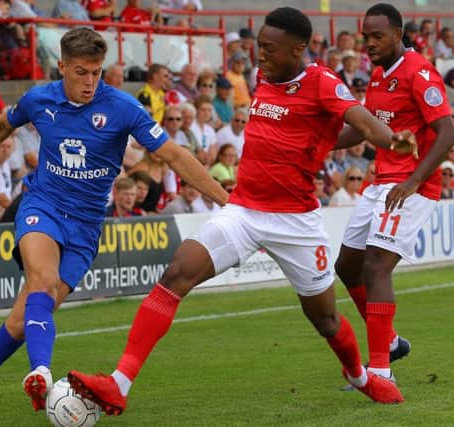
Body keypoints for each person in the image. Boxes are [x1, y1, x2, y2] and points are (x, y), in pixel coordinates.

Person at [68, 7, 420, 415]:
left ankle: (360, 376)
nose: (261, 57)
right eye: (259, 48)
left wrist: (391, 141)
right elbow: (296, 128)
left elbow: (362, 120)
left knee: (324, 319)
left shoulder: (321, 81)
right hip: (245, 211)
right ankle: (119, 383)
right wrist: (316, 140)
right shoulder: (262, 78)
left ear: (298, 49)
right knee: (177, 271)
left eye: (270, 49)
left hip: (296, 223)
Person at [0, 27, 227, 423]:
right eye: (81, 72)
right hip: (42, 206)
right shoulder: (39, 99)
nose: (90, 82)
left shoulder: (122, 108)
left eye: (96, 72)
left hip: (85, 227)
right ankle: (42, 370)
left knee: (17, 323)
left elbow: (174, 155)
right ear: (61, 66)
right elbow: (1, 124)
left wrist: (227, 202)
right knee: (42, 282)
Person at [333, 3, 454, 392]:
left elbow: (448, 134)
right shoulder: (377, 75)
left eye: (377, 36)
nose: (369, 43)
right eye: (365, 36)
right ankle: (387, 340)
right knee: (347, 265)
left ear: (398, 34)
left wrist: (414, 181)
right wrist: (316, 145)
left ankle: (381, 370)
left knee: (376, 267)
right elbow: (367, 128)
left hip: (412, 185)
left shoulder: (419, 73)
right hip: (382, 181)